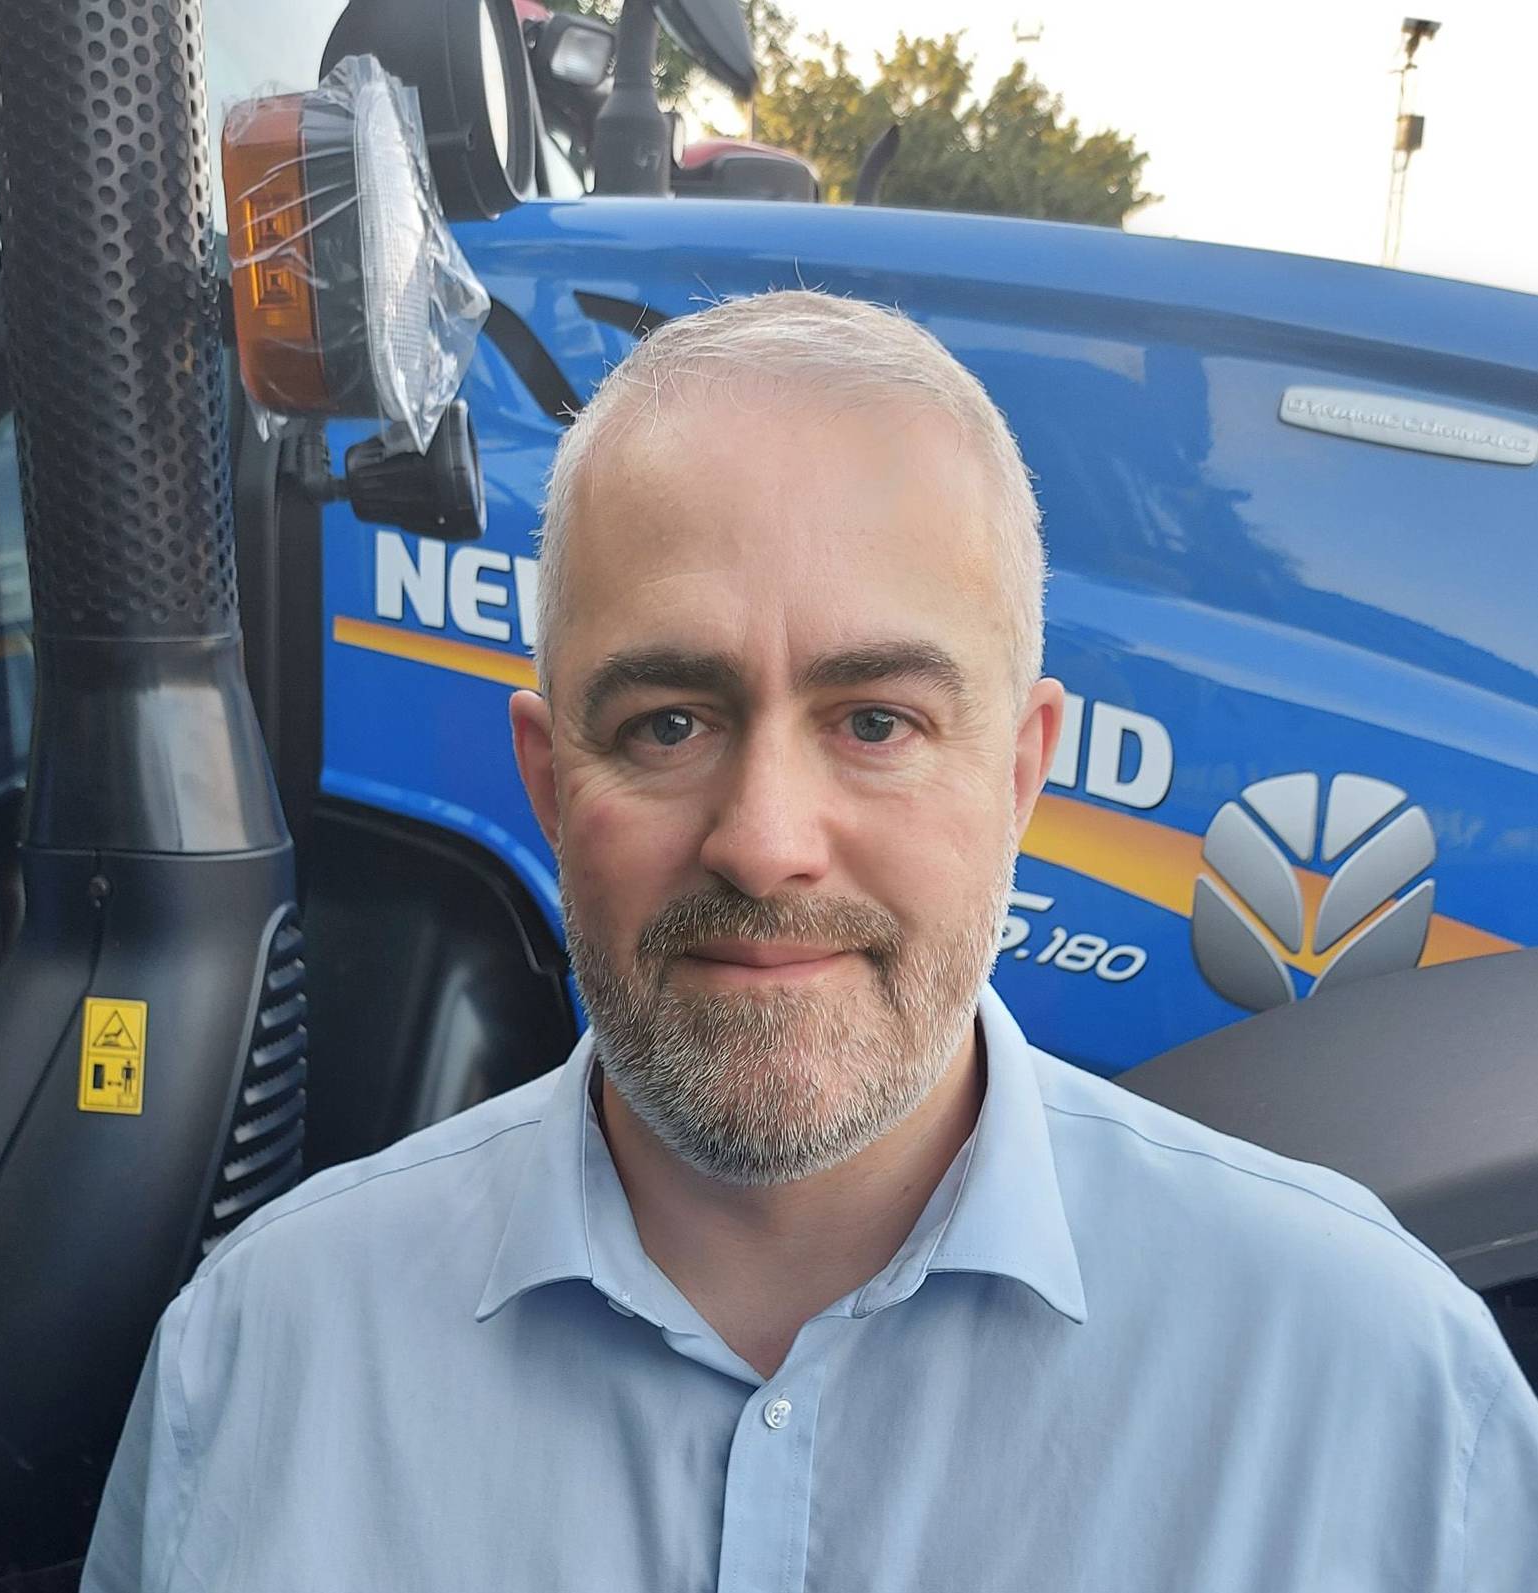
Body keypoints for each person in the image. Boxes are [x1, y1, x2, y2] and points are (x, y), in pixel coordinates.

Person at [82, 291, 1538, 1590]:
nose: (765, 838)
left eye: (875, 722)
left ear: (1021, 772)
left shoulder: (1391, 1401)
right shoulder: (254, 1365)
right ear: (548, 780)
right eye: (668, 723)